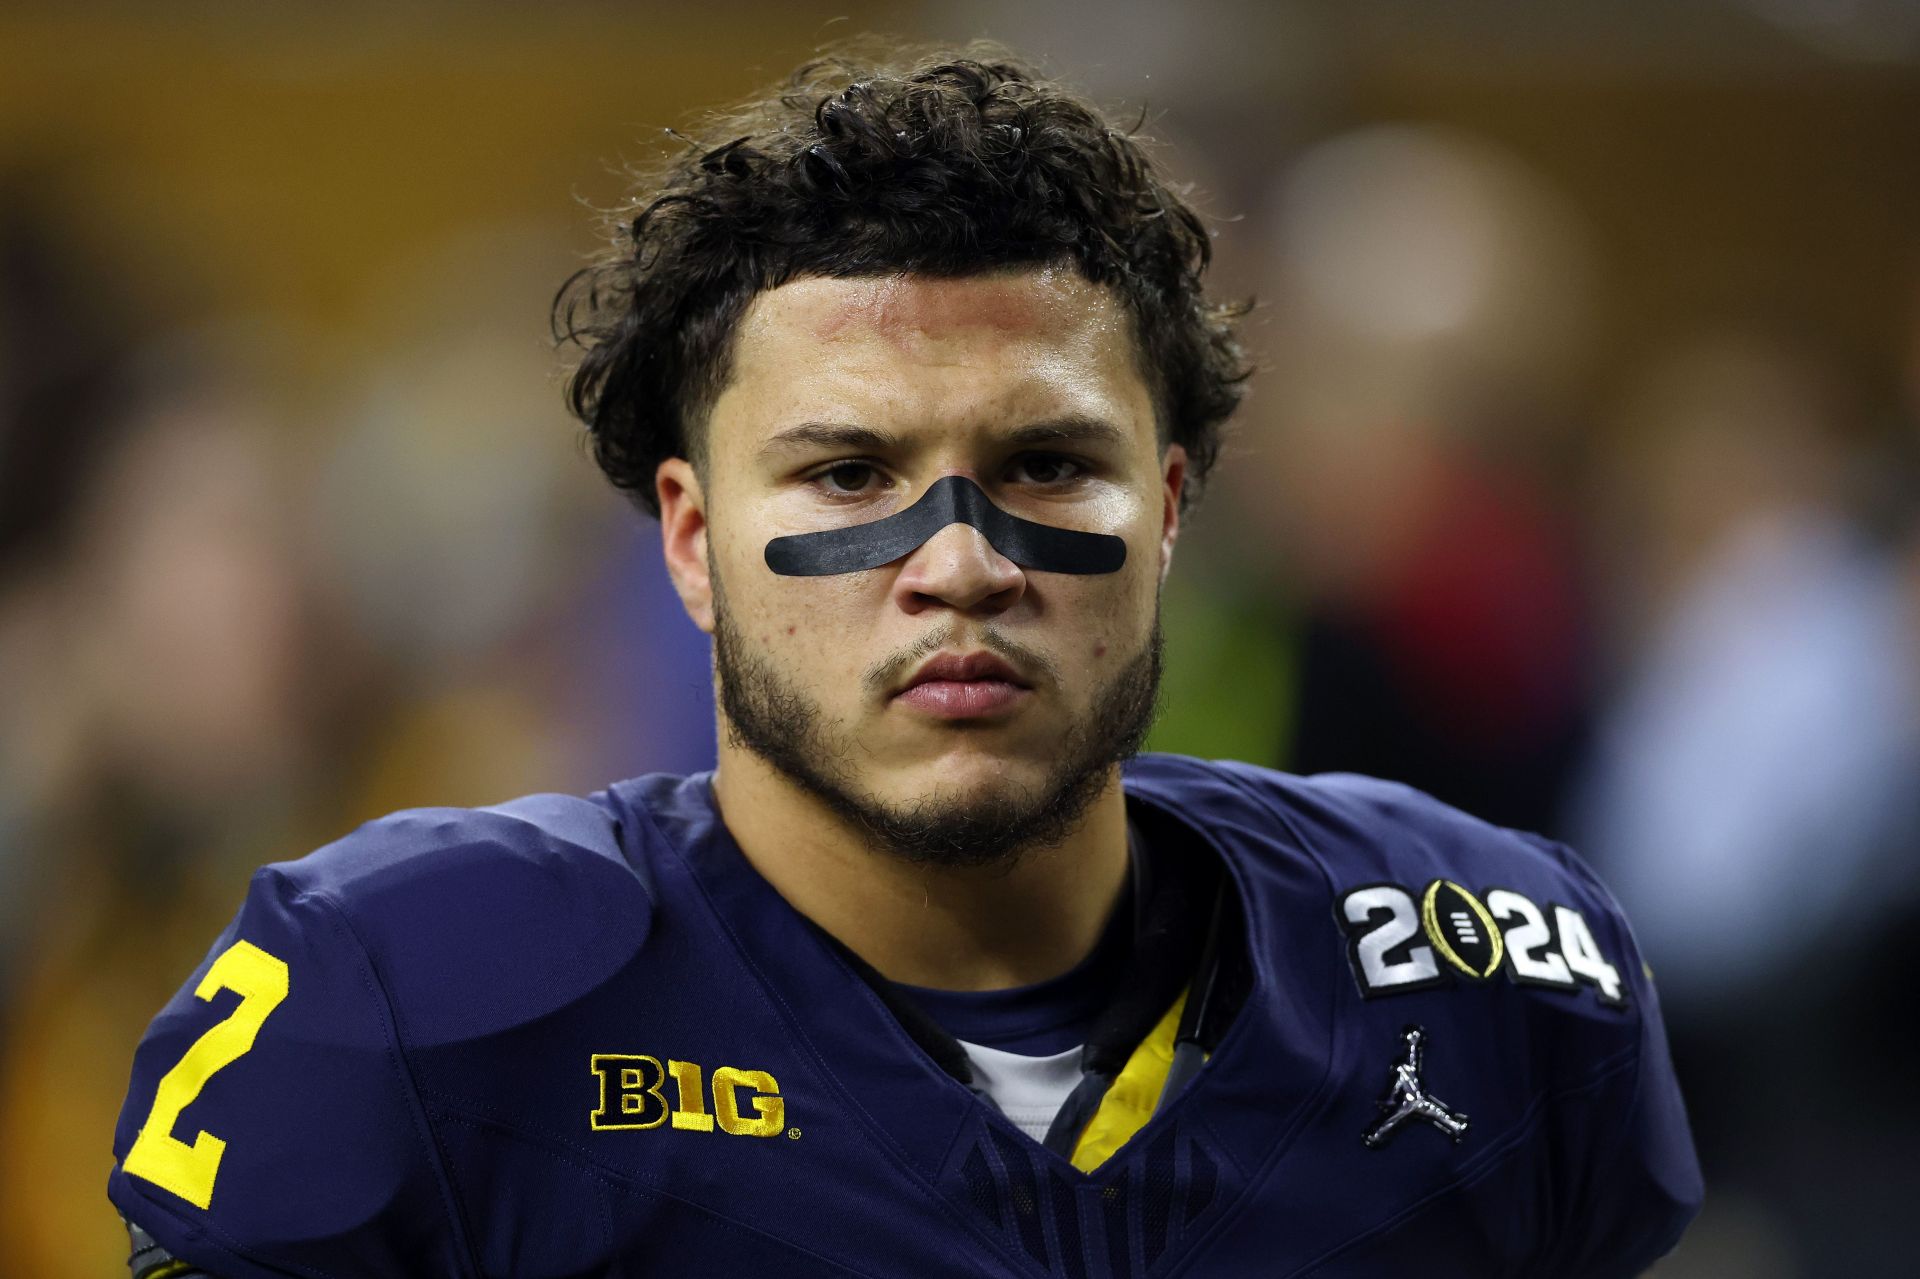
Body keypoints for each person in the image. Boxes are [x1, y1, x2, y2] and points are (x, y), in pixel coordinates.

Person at [108, 41, 1701, 1278]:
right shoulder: (406, 1004)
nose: (958, 564)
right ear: (687, 541)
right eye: (848, 476)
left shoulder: (1484, 980)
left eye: (1048, 467)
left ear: (1167, 512)